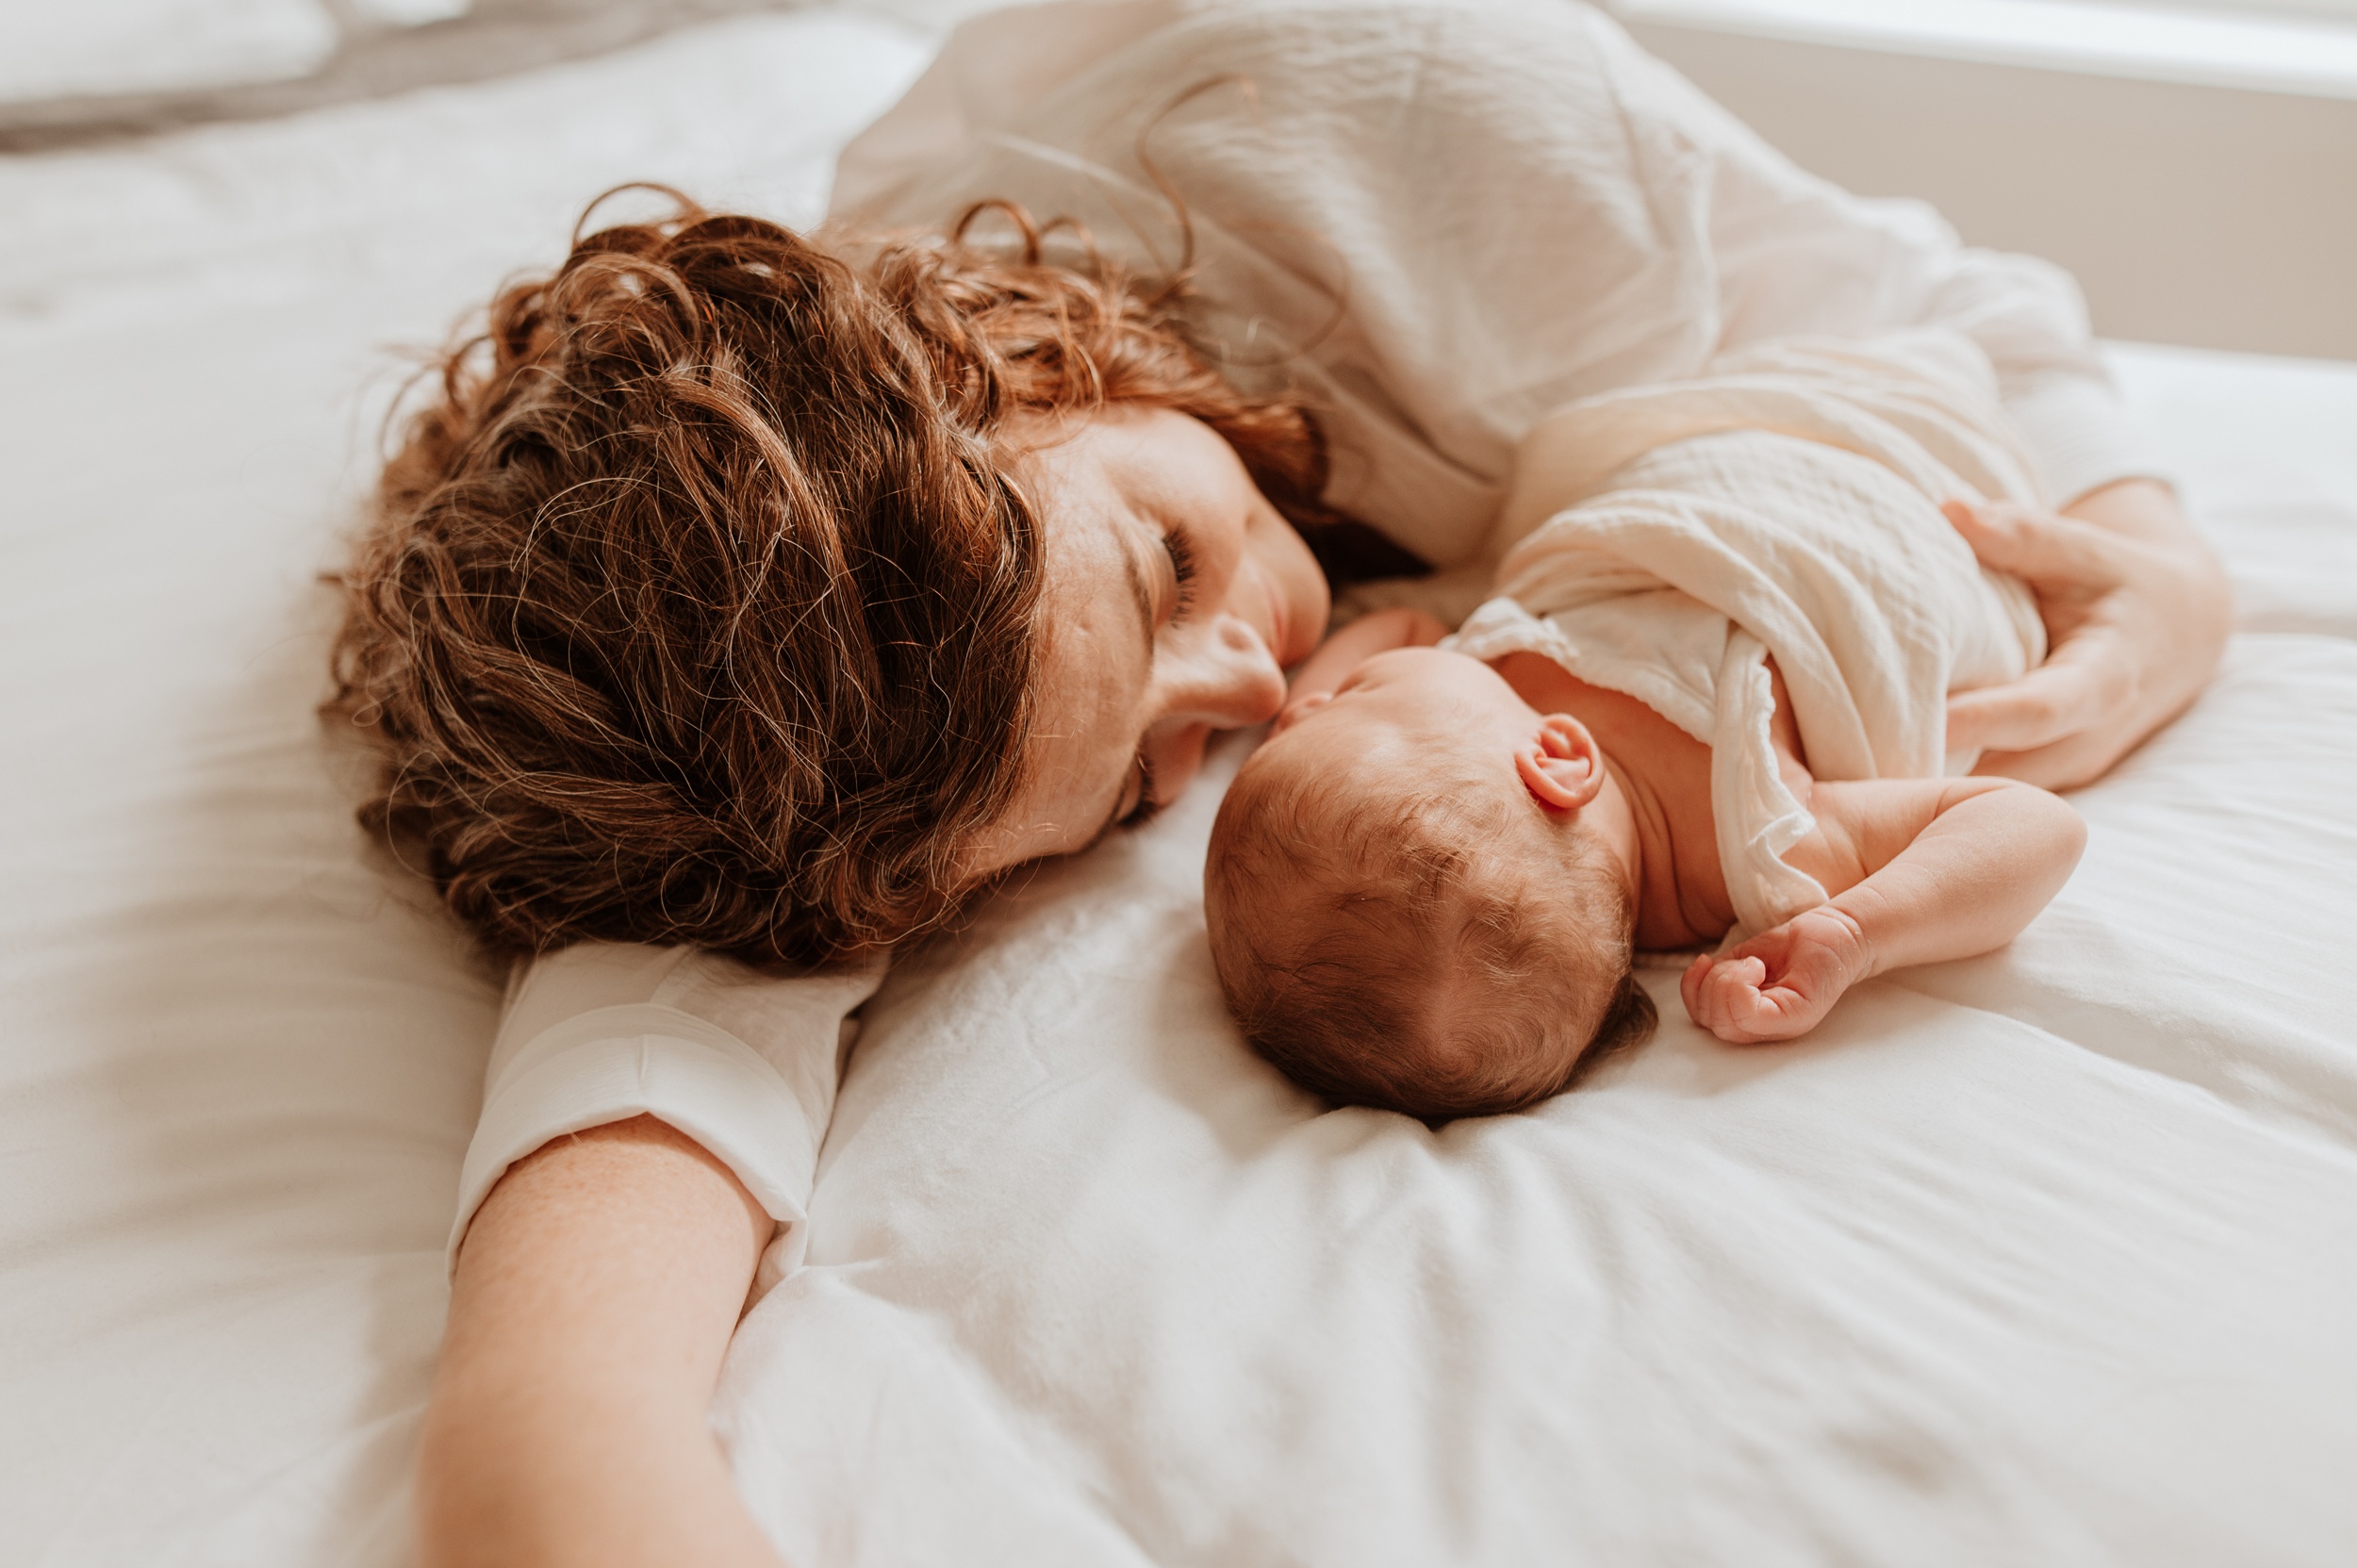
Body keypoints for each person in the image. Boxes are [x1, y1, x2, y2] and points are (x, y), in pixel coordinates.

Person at [335, 4, 2230, 1562]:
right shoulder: (820, 682)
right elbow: (672, 1025)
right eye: (1151, 772)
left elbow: (1926, 308)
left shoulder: (1432, 153)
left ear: (1023, 367)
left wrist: (2154, 567)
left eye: (1166, 564)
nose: (1250, 677)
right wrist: (569, 1411)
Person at [1204, 332, 2091, 1120]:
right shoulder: (1767, 837)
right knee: (1935, 364)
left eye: (1308, 710)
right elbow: (2034, 826)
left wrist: (1304, 716)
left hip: (1733, 456)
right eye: (1346, 700)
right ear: (1555, 758)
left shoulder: (1488, 695)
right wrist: (1859, 932)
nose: (1310, 699)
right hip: (1897, 500)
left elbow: (1394, 630)